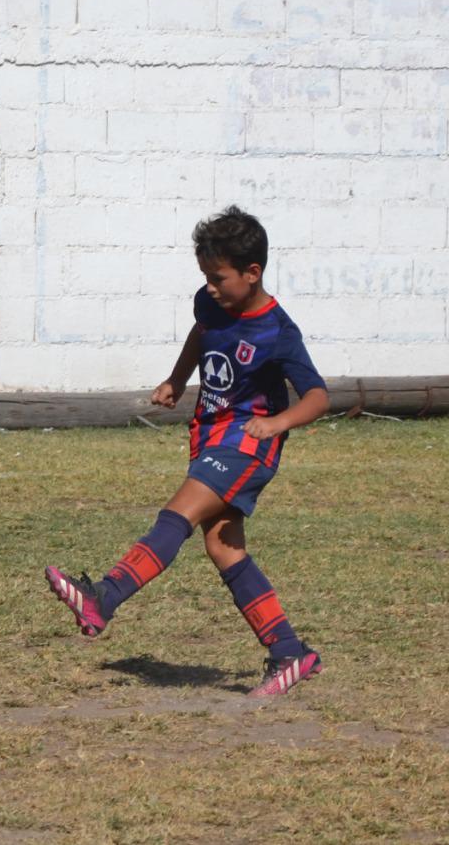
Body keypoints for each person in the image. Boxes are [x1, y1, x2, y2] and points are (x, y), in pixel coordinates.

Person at [44, 206, 330, 697]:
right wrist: (178, 379)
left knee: (178, 513)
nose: (210, 287)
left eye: (218, 277)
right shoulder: (211, 303)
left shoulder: (278, 332)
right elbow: (202, 333)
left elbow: (318, 396)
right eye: (205, 277)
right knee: (223, 545)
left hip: (247, 444)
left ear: (252, 272)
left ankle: (104, 598)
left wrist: (276, 424)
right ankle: (289, 652)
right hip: (212, 435)